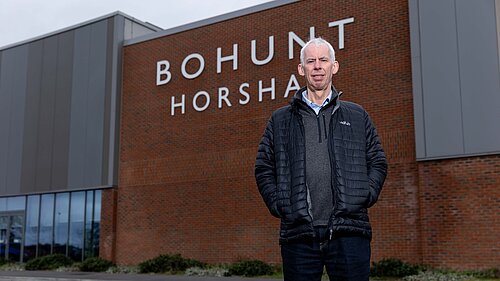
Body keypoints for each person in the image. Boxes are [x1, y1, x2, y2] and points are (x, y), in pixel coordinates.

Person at [254, 37, 388, 281]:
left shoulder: (357, 115)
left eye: (323, 60)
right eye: (311, 61)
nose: (317, 66)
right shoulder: (280, 120)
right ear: (301, 68)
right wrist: (280, 204)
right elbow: (264, 167)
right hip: (299, 234)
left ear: (334, 66)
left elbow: (377, 160)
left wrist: (364, 195)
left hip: (349, 231)